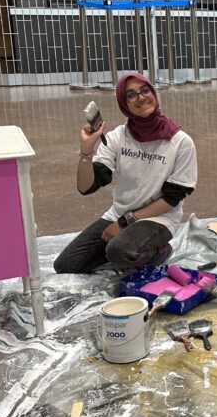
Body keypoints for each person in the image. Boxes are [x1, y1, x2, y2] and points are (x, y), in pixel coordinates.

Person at [54, 72, 198, 275]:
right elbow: (86, 187)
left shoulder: (180, 142)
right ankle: (125, 248)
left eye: (145, 90)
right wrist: (87, 150)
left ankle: (159, 250)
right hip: (118, 213)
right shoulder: (116, 138)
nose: (141, 97)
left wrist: (124, 223)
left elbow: (172, 198)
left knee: (119, 251)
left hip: (159, 218)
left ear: (154, 94)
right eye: (131, 95)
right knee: (66, 266)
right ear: (124, 103)